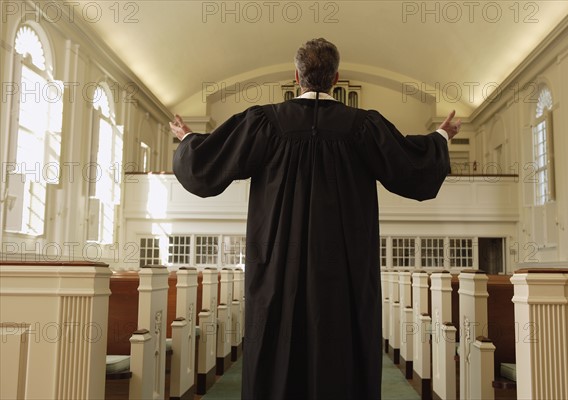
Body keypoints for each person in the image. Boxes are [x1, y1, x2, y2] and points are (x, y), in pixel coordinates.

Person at [170, 38, 461, 400]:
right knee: (341, 341)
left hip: (279, 267)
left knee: (277, 339)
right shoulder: (363, 127)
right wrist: (441, 136)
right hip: (343, 271)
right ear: (336, 78)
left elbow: (208, 163)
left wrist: (187, 141)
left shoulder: (265, 122)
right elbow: (410, 166)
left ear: (297, 77)